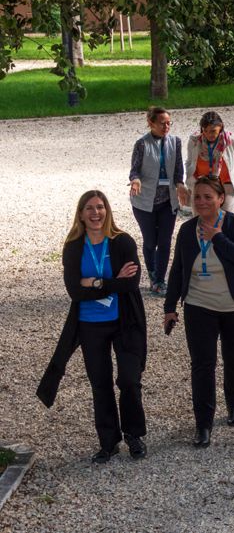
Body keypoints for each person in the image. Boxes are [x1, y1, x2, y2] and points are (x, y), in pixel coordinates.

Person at [38, 191, 147, 464]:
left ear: (107, 210)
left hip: (124, 321)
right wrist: (108, 281)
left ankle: (134, 435)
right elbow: (74, 291)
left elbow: (131, 285)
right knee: (100, 384)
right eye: (89, 208)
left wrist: (93, 282)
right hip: (90, 324)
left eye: (100, 207)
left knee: (129, 380)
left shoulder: (122, 241)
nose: (95, 212)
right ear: (81, 213)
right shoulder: (74, 246)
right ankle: (108, 442)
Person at [163, 176, 234, 448]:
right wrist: (169, 307)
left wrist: (218, 238)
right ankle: (203, 424)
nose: (202, 202)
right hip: (199, 305)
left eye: (208, 197)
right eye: (197, 197)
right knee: (202, 365)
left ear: (220, 199)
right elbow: (178, 269)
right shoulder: (187, 230)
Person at [129, 106, 186, 295]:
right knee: (149, 241)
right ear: (151, 123)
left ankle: (160, 280)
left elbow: (179, 171)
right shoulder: (142, 144)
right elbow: (134, 170)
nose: (166, 126)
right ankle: (153, 273)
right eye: (162, 123)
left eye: (169, 123)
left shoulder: (175, 142)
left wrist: (181, 185)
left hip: (168, 202)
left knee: (165, 241)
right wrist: (135, 181)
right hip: (145, 202)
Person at [184, 111, 234, 213]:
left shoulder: (232, 140)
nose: (208, 134)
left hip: (226, 185)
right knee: (199, 219)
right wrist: (191, 178)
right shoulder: (195, 141)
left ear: (221, 126)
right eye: (205, 130)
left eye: (213, 131)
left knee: (226, 219)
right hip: (200, 185)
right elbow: (189, 161)